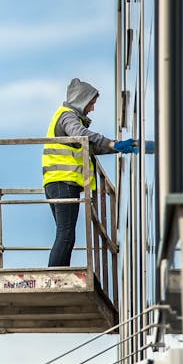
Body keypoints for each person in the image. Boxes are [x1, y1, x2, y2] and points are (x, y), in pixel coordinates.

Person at [43, 78, 138, 267]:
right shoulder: (68, 116)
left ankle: (59, 273)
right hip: (64, 182)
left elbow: (91, 146)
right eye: (91, 103)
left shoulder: (66, 117)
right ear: (81, 100)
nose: (92, 108)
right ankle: (56, 276)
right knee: (66, 233)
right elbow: (79, 133)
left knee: (65, 233)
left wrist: (117, 147)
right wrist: (113, 143)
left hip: (58, 183)